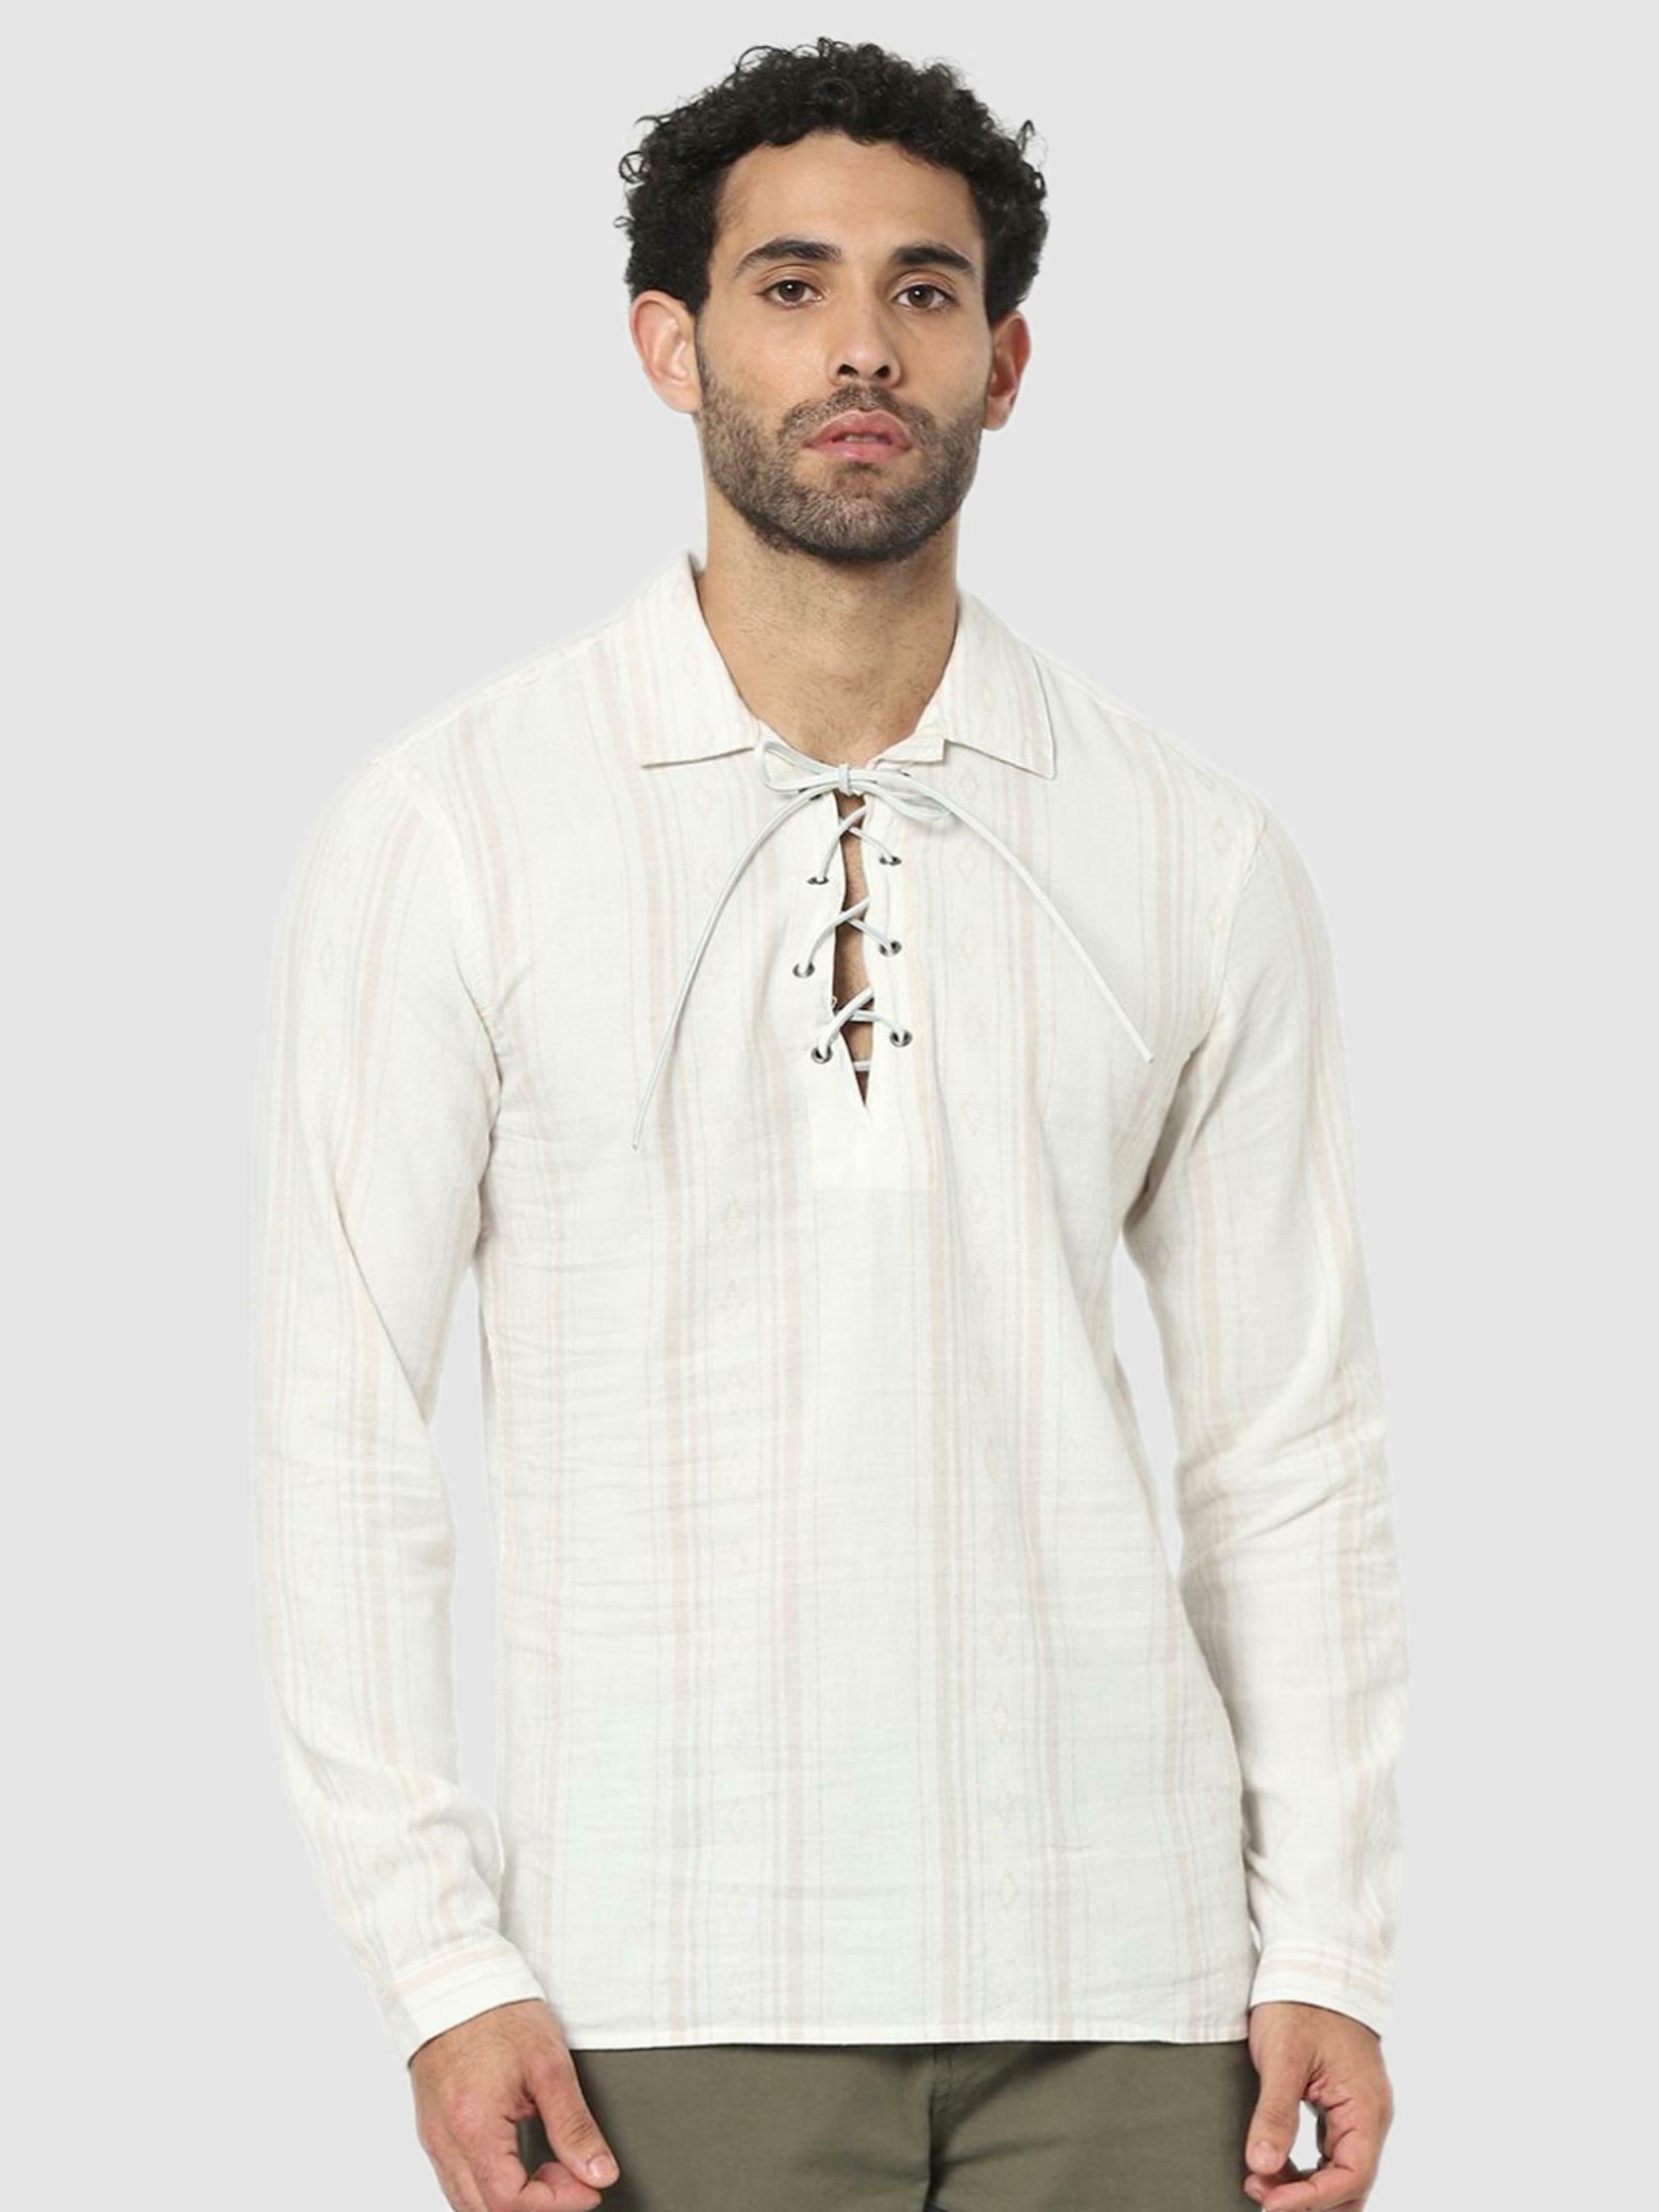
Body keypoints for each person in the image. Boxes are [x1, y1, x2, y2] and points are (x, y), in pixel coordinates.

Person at [252, 36, 1409, 2212]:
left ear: (1005, 362)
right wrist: (436, 1957)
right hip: (656, 1981)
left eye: (922, 291)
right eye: (789, 286)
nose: (861, 345)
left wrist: (1325, 1935)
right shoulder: (461, 826)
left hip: (1137, 1983)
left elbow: (1286, 1437)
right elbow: (341, 1417)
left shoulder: (1189, 851)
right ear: (668, 346)